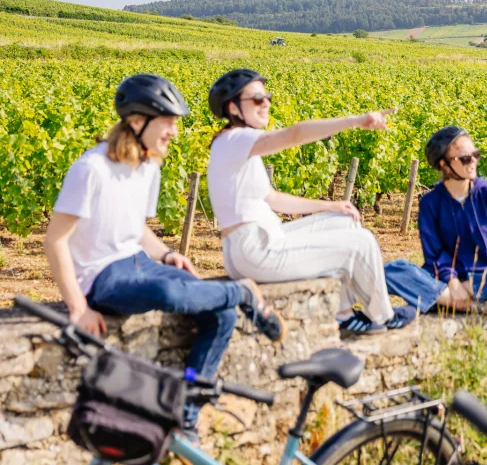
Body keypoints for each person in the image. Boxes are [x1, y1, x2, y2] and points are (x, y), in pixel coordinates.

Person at [43, 73, 285, 438]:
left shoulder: (149, 165)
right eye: (167, 122)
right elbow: (55, 241)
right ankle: (243, 292)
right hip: (102, 276)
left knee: (220, 314)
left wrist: (168, 253)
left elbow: (136, 228)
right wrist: (78, 308)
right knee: (172, 296)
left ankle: (186, 415)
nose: (173, 131)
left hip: (140, 262)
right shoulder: (90, 169)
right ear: (137, 121)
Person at [206, 68, 416, 335]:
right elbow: (294, 135)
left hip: (262, 240)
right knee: (361, 242)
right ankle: (383, 317)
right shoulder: (236, 139)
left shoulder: (236, 144)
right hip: (255, 251)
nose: (266, 102)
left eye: (267, 96)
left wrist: (331, 206)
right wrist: (355, 120)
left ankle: (343, 314)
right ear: (233, 108)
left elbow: (272, 198)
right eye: (257, 99)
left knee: (344, 221)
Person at [385, 126, 487, 312]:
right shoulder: (430, 203)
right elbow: (435, 255)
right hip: (444, 280)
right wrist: (454, 282)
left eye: (475, 155)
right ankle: (467, 302)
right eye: (465, 158)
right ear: (443, 165)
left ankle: (446, 299)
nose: (473, 161)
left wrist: (471, 285)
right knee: (393, 270)